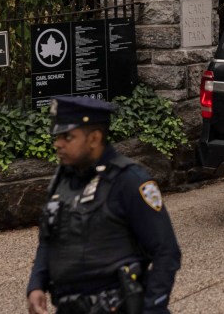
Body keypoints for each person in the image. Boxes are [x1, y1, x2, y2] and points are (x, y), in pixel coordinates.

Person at [27, 96, 181, 314]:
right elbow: (48, 240)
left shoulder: (128, 181)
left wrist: (152, 308)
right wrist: (36, 285)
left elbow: (166, 251)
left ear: (94, 138)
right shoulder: (62, 180)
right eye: (57, 136)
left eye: (67, 136)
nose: (58, 143)